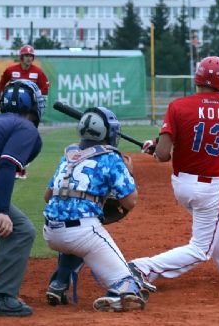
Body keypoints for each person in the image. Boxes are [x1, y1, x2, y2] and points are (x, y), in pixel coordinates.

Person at [129, 56, 219, 291]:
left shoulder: (177, 106)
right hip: (210, 188)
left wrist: (155, 147)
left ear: (197, 77)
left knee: (212, 229)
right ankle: (143, 267)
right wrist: (159, 146)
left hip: (182, 186)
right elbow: (203, 131)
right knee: (200, 249)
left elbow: (165, 154)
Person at [42, 107, 148, 312]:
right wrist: (129, 174)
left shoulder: (69, 155)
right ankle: (117, 296)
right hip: (82, 233)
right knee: (129, 284)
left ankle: (58, 283)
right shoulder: (111, 157)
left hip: (50, 232)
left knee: (76, 241)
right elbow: (130, 202)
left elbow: (48, 196)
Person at [0, 80, 46, 317]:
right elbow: (7, 165)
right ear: (31, 105)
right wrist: (1, 210)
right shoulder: (26, 128)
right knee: (21, 229)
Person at [0, 44, 50, 179]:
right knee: (10, 135)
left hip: (29, 112)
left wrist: (36, 101)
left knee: (26, 137)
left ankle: (21, 168)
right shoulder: (11, 70)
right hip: (12, 110)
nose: (28, 58)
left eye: (31, 56)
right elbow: (2, 85)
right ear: (21, 57)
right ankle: (8, 164)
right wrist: (2, 100)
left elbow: (45, 87)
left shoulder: (37, 72)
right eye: (26, 56)